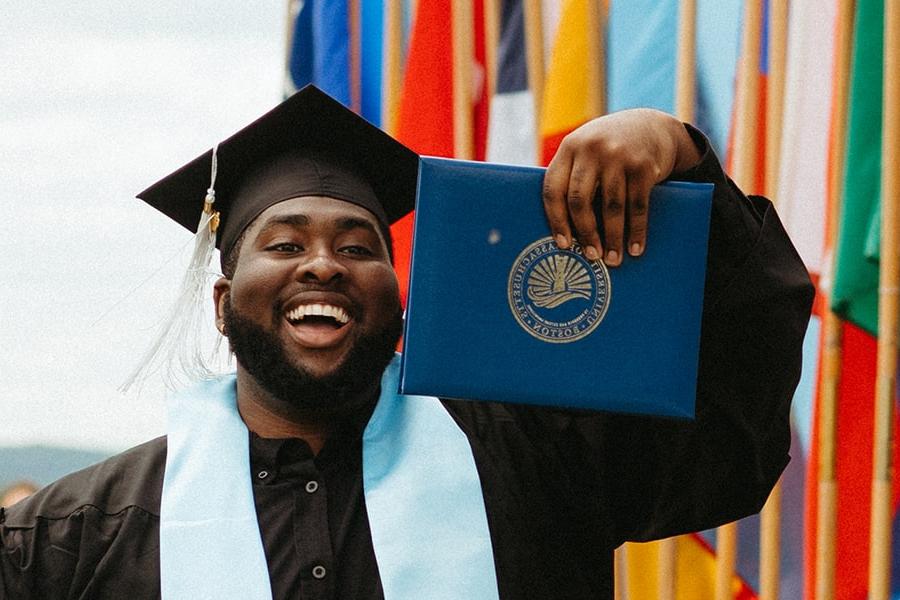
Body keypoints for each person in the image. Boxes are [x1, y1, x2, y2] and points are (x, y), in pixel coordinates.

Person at [0, 86, 813, 599]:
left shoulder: (535, 460)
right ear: (222, 303)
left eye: (359, 247)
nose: (323, 264)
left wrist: (674, 147)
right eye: (284, 245)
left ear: (399, 300)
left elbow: (732, 396)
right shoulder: (77, 538)